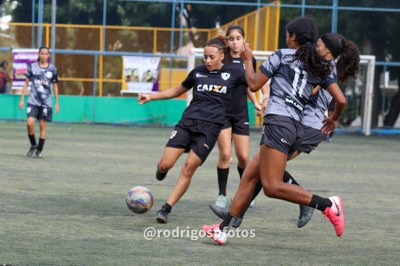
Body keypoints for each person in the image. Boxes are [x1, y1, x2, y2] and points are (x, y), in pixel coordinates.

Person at [202, 17, 347, 245]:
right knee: (250, 175)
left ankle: (328, 204)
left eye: (287, 34)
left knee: (271, 186)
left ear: (293, 38)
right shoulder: (317, 64)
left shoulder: (281, 55)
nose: (285, 38)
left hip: (279, 122)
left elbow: (253, 84)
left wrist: (248, 60)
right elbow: (341, 99)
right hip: (291, 124)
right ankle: (223, 229)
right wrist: (334, 120)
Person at [137, 36, 249, 224]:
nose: (207, 61)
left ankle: (166, 209)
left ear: (222, 56)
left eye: (211, 57)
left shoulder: (235, 73)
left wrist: (264, 98)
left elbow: (254, 84)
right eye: (204, 57)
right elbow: (176, 90)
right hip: (188, 123)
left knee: (188, 168)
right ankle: (161, 170)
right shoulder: (197, 73)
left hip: (210, 130)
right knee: (165, 164)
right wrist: (151, 97)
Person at [213, 25, 268, 209]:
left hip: (241, 113)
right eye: (231, 38)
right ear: (227, 41)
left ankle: (245, 193)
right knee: (225, 154)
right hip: (222, 113)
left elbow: (250, 85)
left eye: (238, 38)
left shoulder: (248, 60)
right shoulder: (222, 59)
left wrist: (257, 103)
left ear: (244, 40)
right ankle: (222, 195)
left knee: (244, 157)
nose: (235, 42)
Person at [18, 46, 60, 158]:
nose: (44, 56)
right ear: (39, 54)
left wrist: (56, 102)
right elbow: (26, 83)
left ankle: (39, 150)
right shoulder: (32, 66)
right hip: (33, 100)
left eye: (46, 54)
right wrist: (22, 99)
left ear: (49, 55)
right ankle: (33, 145)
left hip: (45, 102)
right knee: (30, 123)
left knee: (42, 125)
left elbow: (55, 86)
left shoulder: (52, 69)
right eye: (42, 53)